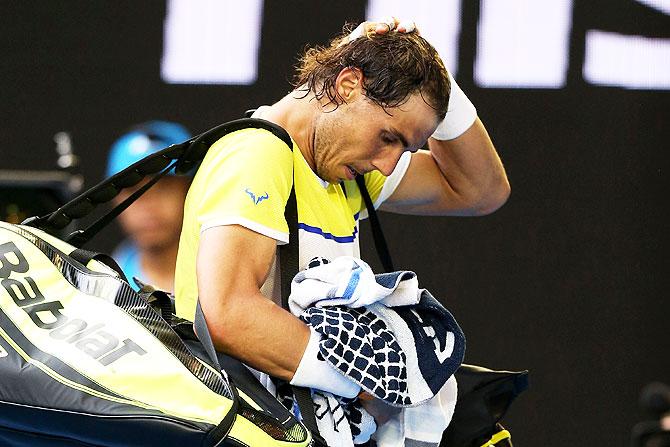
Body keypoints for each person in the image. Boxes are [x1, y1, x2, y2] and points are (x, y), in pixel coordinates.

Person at [174, 18, 509, 402]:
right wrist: (367, 382)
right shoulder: (257, 154)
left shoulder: (348, 171)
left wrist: (432, 74)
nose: (387, 164)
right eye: (388, 137)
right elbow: (228, 315)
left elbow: (481, 190)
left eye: (404, 148)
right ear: (348, 86)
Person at [106, 121, 191, 293]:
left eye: (163, 187)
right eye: (133, 191)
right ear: (114, 200)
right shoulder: (100, 289)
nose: (149, 205)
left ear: (190, 191)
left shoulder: (229, 275)